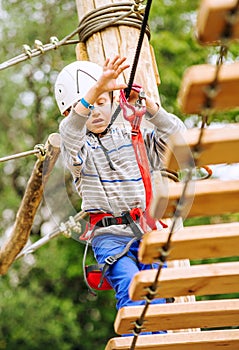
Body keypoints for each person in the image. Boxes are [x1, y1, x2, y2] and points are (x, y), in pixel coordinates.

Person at [55, 55, 186, 314]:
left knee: (156, 299)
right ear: (70, 113)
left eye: (102, 102)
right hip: (110, 237)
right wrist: (98, 88)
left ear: (114, 101)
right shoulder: (78, 151)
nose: (95, 112)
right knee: (131, 286)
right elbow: (70, 132)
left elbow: (180, 141)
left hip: (145, 230)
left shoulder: (135, 136)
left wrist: (148, 106)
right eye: (88, 106)